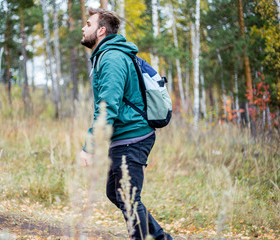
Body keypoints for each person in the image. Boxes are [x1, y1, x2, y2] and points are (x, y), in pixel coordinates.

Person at [79, 8, 173, 240]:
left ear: (101, 30)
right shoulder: (107, 56)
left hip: (133, 135)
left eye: (88, 24)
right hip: (125, 135)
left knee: (128, 198)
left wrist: (90, 147)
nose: (84, 27)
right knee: (117, 193)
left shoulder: (112, 58)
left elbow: (108, 106)